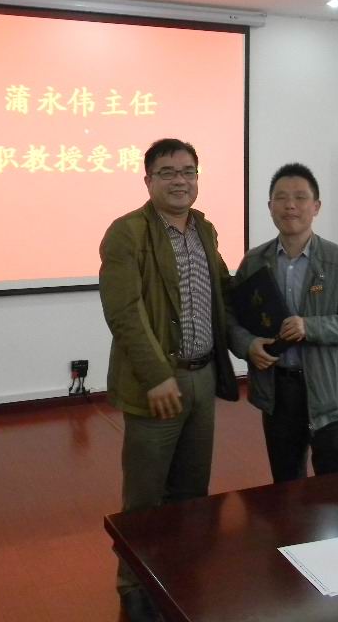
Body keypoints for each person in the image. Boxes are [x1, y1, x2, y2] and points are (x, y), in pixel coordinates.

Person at [99, 138, 237, 622]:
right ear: (148, 180)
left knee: (192, 494)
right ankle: (134, 590)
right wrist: (157, 375)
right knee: (144, 498)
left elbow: (223, 294)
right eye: (168, 172)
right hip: (156, 384)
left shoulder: (205, 229)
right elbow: (123, 312)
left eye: (188, 171)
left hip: (203, 377)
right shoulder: (127, 233)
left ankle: (180, 578)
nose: (180, 181)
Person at [230, 163, 338, 483]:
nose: (290, 205)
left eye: (300, 197)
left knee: (336, 489)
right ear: (270, 206)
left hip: (330, 393)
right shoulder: (253, 262)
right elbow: (232, 316)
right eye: (281, 198)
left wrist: (311, 327)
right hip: (278, 391)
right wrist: (247, 345)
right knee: (285, 485)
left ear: (316, 206)